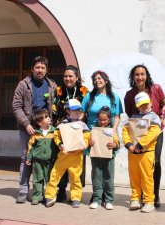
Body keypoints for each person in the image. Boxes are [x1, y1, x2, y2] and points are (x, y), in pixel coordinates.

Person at [12, 56, 57, 203]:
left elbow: (55, 107)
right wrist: (26, 124)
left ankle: (44, 192)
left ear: (46, 70)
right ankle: (24, 190)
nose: (40, 70)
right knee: (27, 158)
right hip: (28, 129)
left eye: (43, 68)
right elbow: (16, 106)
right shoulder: (24, 84)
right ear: (32, 69)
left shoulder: (52, 85)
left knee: (47, 159)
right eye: (37, 67)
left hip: (46, 130)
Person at [124, 64, 165, 207]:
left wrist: (161, 117)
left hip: (155, 130)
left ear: (146, 75)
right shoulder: (130, 94)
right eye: (137, 74)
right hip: (138, 132)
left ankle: (154, 194)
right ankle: (139, 195)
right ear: (133, 77)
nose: (140, 77)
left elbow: (163, 104)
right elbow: (130, 113)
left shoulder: (156, 88)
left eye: (142, 74)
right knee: (138, 163)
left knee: (155, 162)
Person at [81, 70, 123, 203]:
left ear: (106, 80)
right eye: (94, 79)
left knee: (107, 166)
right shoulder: (89, 96)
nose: (97, 81)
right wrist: (76, 124)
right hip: (93, 135)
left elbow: (117, 116)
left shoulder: (114, 97)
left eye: (99, 78)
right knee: (96, 168)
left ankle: (106, 195)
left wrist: (114, 129)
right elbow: (82, 114)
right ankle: (97, 194)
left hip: (107, 134)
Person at [52, 65, 89, 202]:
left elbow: (86, 109)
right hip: (62, 130)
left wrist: (80, 126)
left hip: (78, 130)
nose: (67, 78)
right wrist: (58, 127)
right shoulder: (59, 90)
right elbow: (54, 108)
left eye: (70, 76)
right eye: (65, 76)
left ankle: (76, 194)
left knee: (77, 164)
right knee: (61, 161)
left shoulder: (84, 91)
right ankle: (61, 190)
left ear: (77, 77)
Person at [45, 99, 90, 208]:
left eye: (78, 110)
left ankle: (75, 198)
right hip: (63, 155)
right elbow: (56, 136)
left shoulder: (83, 125)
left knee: (76, 178)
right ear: (68, 111)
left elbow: (86, 138)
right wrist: (61, 145)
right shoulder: (62, 124)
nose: (76, 112)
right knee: (54, 175)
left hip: (77, 156)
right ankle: (49, 196)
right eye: (74, 110)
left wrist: (84, 145)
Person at [122, 93, 161, 213]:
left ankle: (149, 201)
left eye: (146, 103)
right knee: (134, 176)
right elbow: (125, 130)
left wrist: (140, 144)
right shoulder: (134, 116)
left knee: (147, 177)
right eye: (141, 105)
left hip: (146, 152)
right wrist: (128, 144)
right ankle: (135, 198)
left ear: (150, 103)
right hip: (133, 153)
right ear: (137, 106)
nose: (144, 106)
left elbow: (154, 132)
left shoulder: (154, 117)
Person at [88, 106, 120, 210]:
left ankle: (109, 201)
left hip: (109, 159)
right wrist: (90, 142)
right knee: (97, 179)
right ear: (97, 119)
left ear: (109, 120)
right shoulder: (93, 130)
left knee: (109, 179)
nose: (102, 122)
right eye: (100, 119)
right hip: (96, 158)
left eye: (105, 120)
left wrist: (115, 145)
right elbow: (87, 141)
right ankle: (97, 200)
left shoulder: (112, 131)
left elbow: (117, 143)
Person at [25, 109, 58, 205]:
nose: (49, 118)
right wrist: (29, 158)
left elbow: (58, 146)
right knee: (37, 179)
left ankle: (50, 196)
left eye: (49, 116)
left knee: (50, 179)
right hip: (37, 161)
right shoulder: (35, 134)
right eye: (46, 117)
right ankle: (36, 196)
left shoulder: (54, 132)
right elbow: (31, 147)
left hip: (51, 161)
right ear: (39, 122)